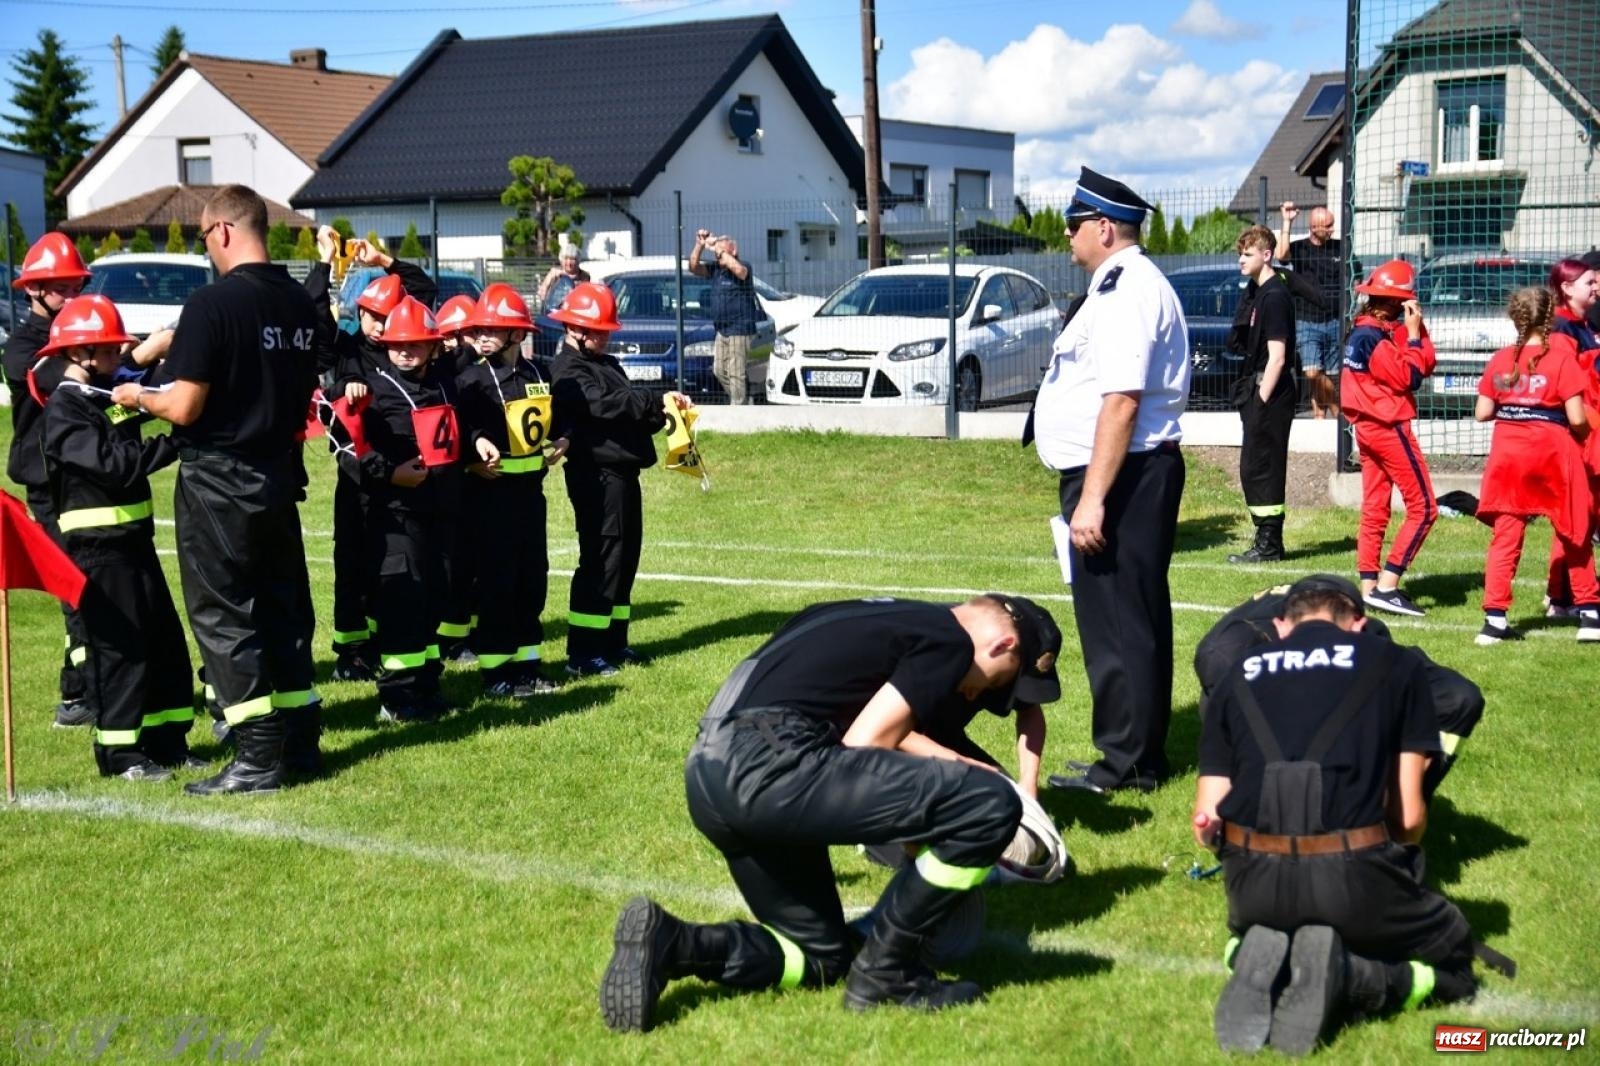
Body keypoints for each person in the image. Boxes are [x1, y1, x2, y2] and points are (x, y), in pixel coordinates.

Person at [596, 594, 1059, 1033]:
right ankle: (889, 972)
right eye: (996, 681)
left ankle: (673, 944)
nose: (975, 693)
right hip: (772, 763)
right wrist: (945, 835)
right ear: (1004, 645)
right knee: (989, 803)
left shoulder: (862, 615)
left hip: (708, 774)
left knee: (818, 957)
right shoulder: (950, 639)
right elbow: (867, 743)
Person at [1196, 575, 1498, 1056]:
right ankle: (1351, 972)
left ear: (1279, 625)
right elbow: (1409, 819)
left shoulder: (1237, 671)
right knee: (1458, 968)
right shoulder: (1396, 665)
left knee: (1263, 921)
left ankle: (1247, 950)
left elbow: (1207, 821)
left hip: (1252, 886)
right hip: (1353, 873)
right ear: (1360, 623)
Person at [111, 184, 321, 795]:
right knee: (283, 609)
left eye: (203, 237)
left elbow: (184, 404)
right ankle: (301, 739)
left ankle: (257, 756)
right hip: (278, 474)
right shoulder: (298, 303)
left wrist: (136, 394)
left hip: (218, 478)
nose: (206, 248)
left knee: (225, 614)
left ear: (222, 231)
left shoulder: (212, 303)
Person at [1029, 166, 1190, 796]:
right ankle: (1138, 753)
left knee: (1119, 622)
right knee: (1131, 617)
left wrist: (1092, 500)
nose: (1067, 237)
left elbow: (1121, 400)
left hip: (1122, 477)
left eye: (1073, 225)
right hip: (1124, 472)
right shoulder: (1118, 285)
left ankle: (1123, 763)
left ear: (1102, 227)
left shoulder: (1126, 289)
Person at [39, 295, 197, 781]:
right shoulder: (65, 411)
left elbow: (140, 401)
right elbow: (116, 466)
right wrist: (175, 442)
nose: (117, 358)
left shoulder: (100, 396)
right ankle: (120, 754)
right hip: (99, 553)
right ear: (78, 353)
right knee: (120, 653)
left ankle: (166, 742)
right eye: (107, 351)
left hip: (134, 544)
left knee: (165, 646)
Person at [1192, 579, 1483, 802]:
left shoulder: (1365, 638)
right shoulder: (1225, 657)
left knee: (1458, 699)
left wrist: (1400, 791)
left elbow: (1458, 698)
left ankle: (1399, 799)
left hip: (1339, 621)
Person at [350, 296, 492, 721]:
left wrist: (476, 444)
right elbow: (348, 450)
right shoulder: (373, 392)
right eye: (397, 344)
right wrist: (390, 473)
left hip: (443, 513)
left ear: (433, 347)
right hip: (398, 516)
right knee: (403, 605)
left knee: (434, 601)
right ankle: (396, 698)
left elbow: (456, 432)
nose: (405, 351)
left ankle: (426, 686)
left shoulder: (445, 384)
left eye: (414, 344)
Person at [307, 229, 437, 681]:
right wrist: (326, 263)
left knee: (396, 566)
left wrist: (385, 261)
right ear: (358, 312)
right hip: (362, 474)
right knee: (353, 560)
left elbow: (424, 294)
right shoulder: (347, 350)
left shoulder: (408, 347)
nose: (382, 327)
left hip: (402, 477)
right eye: (373, 316)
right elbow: (314, 329)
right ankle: (351, 650)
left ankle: (387, 639)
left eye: (388, 316)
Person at [550, 281, 691, 677]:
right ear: (576, 329)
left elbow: (631, 406)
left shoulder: (607, 365)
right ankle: (583, 654)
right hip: (596, 477)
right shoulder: (568, 370)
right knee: (601, 560)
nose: (607, 336)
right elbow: (608, 404)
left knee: (625, 559)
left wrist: (664, 409)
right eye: (600, 330)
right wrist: (652, 401)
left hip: (624, 475)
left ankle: (614, 643)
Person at [455, 284, 571, 697]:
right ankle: (496, 672)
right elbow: (458, 432)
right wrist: (472, 450)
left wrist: (564, 439)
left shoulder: (539, 374)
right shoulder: (469, 380)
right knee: (497, 585)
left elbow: (554, 422)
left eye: (493, 328)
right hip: (490, 501)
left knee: (531, 582)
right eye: (479, 329)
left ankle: (528, 666)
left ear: (518, 335)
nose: (483, 336)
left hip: (529, 497)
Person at [1472, 287, 1599, 644]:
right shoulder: (1560, 359)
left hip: (1509, 453)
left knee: (1506, 537)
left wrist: (1514, 403)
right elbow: (1576, 418)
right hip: (1554, 451)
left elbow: (1482, 412)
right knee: (1574, 530)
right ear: (1550, 319)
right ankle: (1590, 615)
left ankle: (1494, 620)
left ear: (1515, 318)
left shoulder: (1500, 361)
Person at [6, 232, 94, 726]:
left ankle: (81, 690)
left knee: (89, 581)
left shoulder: (78, 334)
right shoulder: (22, 348)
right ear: (34, 291)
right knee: (74, 585)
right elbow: (49, 376)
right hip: (47, 481)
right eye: (60, 286)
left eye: (76, 284)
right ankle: (84, 694)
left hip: (82, 474)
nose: (70, 293)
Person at [1340, 260, 1436, 617]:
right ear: (1397, 303)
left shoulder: (1365, 331)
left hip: (1367, 429)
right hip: (1388, 426)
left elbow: (1427, 362)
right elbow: (1410, 376)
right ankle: (1387, 584)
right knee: (1424, 508)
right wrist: (1412, 333)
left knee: (1376, 507)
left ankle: (1368, 586)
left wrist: (1416, 334)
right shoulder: (1374, 337)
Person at [1227, 225, 1298, 565]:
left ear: (1266, 255)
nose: (1241, 260)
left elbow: (1278, 356)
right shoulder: (1257, 292)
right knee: (1254, 466)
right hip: (1258, 389)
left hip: (1270, 393)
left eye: (1248, 254)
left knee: (1263, 466)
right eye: (1240, 253)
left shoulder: (1274, 296)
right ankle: (1266, 537)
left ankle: (1269, 544)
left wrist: (1260, 400)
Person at [1541, 259, 1600, 619]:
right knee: (1577, 516)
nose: (1595, 287)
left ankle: (1562, 596)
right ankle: (1562, 596)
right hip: (1581, 435)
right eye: (1589, 282)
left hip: (1591, 431)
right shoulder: (1562, 329)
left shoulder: (1586, 326)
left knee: (1584, 517)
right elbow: (1567, 387)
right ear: (1566, 288)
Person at [1275, 203, 1345, 419]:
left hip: (1335, 319)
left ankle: (1319, 416)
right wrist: (1287, 221)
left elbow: (1355, 275)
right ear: (1314, 227)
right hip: (1306, 320)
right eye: (1329, 225)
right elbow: (1282, 255)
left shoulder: (1341, 247)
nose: (1333, 229)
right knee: (1313, 371)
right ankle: (1339, 412)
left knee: (1330, 375)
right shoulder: (1299, 248)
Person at [687, 229, 758, 405]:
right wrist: (700, 245)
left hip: (740, 329)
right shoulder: (716, 270)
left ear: (733, 251)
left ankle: (738, 408)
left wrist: (716, 248)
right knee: (719, 370)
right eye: (718, 254)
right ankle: (740, 398)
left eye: (723, 253)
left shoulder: (744, 267)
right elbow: (693, 267)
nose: (718, 257)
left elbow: (739, 271)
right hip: (722, 329)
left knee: (736, 371)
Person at [537, 246, 590, 313]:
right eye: (566, 258)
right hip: (555, 312)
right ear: (561, 260)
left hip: (576, 312)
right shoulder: (554, 273)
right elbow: (542, 292)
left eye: (572, 259)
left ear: (578, 260)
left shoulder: (584, 276)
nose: (569, 263)